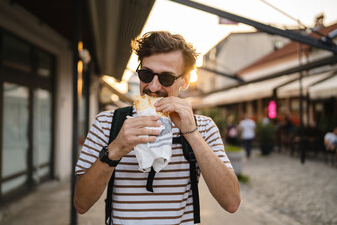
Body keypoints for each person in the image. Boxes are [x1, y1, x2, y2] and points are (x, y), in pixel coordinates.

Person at [73, 31, 240, 224]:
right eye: (146, 74)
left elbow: (231, 202)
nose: (152, 87)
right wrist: (115, 149)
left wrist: (192, 135)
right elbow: (81, 204)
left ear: (185, 81)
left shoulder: (204, 127)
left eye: (166, 78)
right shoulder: (106, 123)